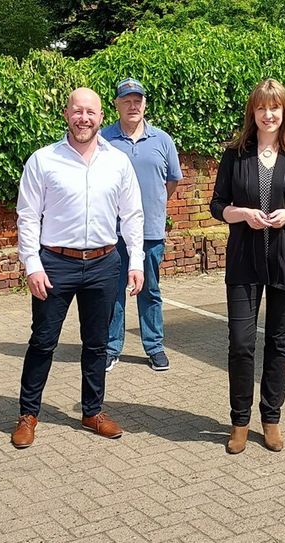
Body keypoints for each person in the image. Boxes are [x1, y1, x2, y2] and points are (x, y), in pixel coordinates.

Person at [11, 87, 145, 449]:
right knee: (43, 342)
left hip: (104, 263)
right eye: (77, 111)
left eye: (91, 112)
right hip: (55, 263)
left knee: (97, 344)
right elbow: (27, 216)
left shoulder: (117, 161)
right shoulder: (43, 160)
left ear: (102, 117)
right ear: (66, 114)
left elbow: (132, 215)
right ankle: (28, 414)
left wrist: (136, 261)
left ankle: (92, 411)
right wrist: (32, 264)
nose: (83, 118)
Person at [209, 79, 285, 454]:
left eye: (274, 107)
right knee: (241, 343)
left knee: (278, 344)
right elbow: (217, 205)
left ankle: (271, 419)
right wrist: (241, 213)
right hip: (244, 262)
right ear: (253, 113)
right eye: (261, 108)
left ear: (284, 112)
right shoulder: (235, 154)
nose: (268, 114)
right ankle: (239, 421)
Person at [103, 78, 183, 372]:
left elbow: (171, 181)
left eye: (137, 100)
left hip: (150, 231)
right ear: (117, 105)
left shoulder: (162, 140)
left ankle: (154, 347)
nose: (133, 106)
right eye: (126, 101)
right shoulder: (104, 139)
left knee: (149, 290)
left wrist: (153, 207)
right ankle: (111, 348)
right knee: (113, 291)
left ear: (145, 104)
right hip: (112, 232)